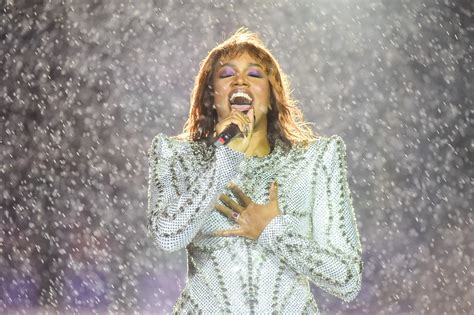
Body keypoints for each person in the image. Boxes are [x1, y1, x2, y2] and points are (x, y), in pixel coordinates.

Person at [146, 27, 363, 314]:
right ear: (211, 95)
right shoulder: (178, 155)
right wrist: (224, 160)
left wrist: (271, 231)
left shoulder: (315, 160)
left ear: (272, 95)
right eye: (226, 75)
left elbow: (348, 279)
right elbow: (167, 235)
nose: (240, 81)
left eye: (255, 74)